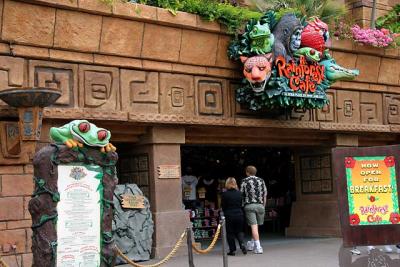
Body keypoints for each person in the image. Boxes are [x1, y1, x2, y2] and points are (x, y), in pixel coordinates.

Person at [240, 166, 267, 254]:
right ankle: (251, 244)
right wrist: (263, 206)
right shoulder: (261, 180)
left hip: (249, 206)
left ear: (247, 172)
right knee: (255, 226)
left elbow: (241, 194)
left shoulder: (244, 181)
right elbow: (265, 195)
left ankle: (258, 247)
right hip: (260, 205)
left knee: (254, 226)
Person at [221, 177, 247, 256]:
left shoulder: (225, 194)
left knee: (230, 233)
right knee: (239, 231)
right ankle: (242, 244)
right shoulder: (239, 193)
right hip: (239, 214)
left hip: (229, 215)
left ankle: (232, 250)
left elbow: (223, 206)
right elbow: (241, 204)